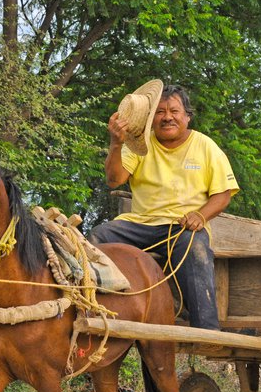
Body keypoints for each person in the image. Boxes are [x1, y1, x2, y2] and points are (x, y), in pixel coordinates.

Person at [89, 81, 239, 330]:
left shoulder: (205, 146)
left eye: (174, 111)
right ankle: (96, 311)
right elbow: (114, 180)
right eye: (160, 112)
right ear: (150, 119)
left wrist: (200, 216)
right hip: (138, 224)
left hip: (181, 228)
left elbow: (223, 194)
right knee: (96, 237)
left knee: (195, 247)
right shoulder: (138, 144)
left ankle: (207, 330)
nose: (167, 118)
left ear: (187, 117)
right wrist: (116, 143)